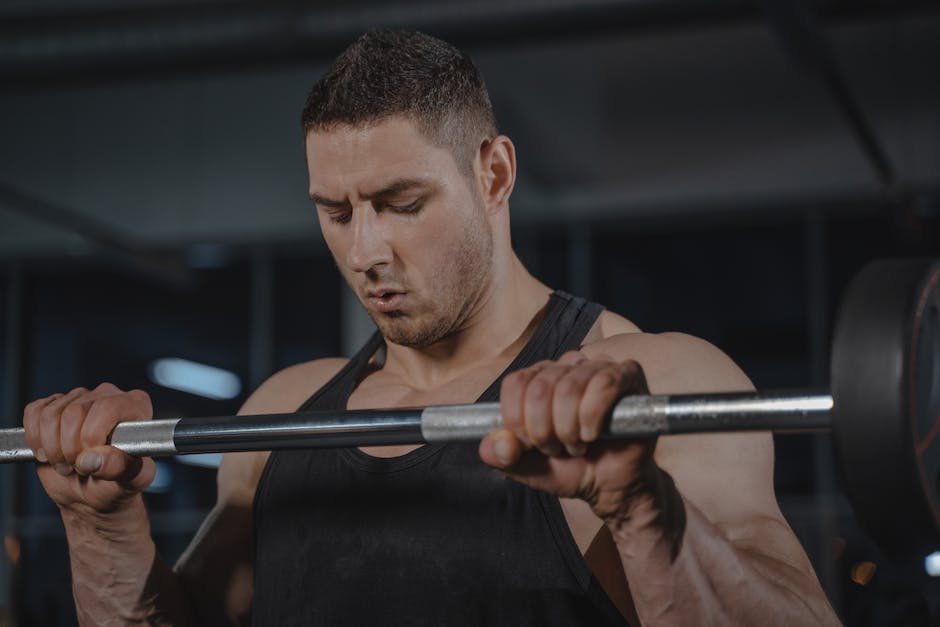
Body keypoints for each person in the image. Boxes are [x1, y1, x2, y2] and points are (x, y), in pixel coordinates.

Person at [21, 29, 840, 626]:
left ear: (494, 173)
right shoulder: (286, 413)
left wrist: (638, 502)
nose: (365, 250)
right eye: (335, 213)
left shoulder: (662, 384)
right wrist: (101, 528)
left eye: (402, 205)